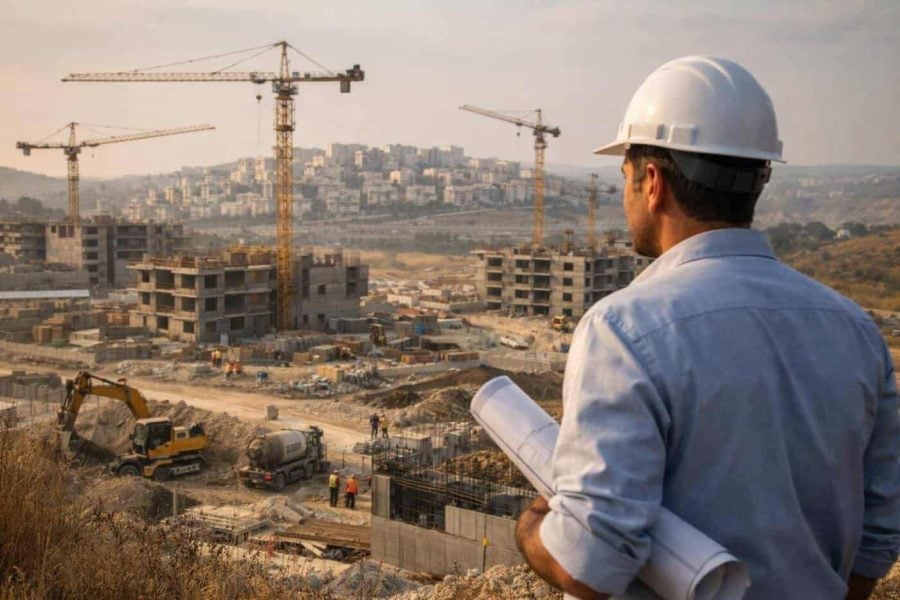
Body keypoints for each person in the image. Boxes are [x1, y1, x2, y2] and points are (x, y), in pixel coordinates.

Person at [514, 56, 899, 600]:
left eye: (624, 177)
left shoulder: (623, 329)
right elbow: (879, 536)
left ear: (652, 182)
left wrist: (531, 526)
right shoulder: (855, 329)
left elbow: (589, 565)